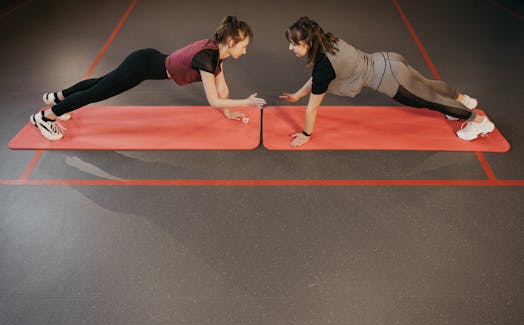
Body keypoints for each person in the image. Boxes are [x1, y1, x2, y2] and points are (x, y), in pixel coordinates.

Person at [30, 16, 266, 141]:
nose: (245, 51)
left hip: (146, 60)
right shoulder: (207, 58)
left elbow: (222, 89)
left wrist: (229, 111)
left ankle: (56, 97)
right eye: (244, 46)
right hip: (140, 67)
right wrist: (245, 102)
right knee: (97, 92)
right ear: (232, 43)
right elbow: (213, 100)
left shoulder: (217, 53)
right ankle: (45, 117)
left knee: (102, 81)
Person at [279, 16, 495, 147]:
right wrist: (298, 94)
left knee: (431, 101)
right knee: (428, 85)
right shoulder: (328, 39)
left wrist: (306, 134)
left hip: (391, 79)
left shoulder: (324, 66)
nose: (290, 48)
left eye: (294, 44)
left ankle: (479, 122)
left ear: (308, 42)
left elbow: (312, 109)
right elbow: (318, 78)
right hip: (387, 60)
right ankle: (463, 100)